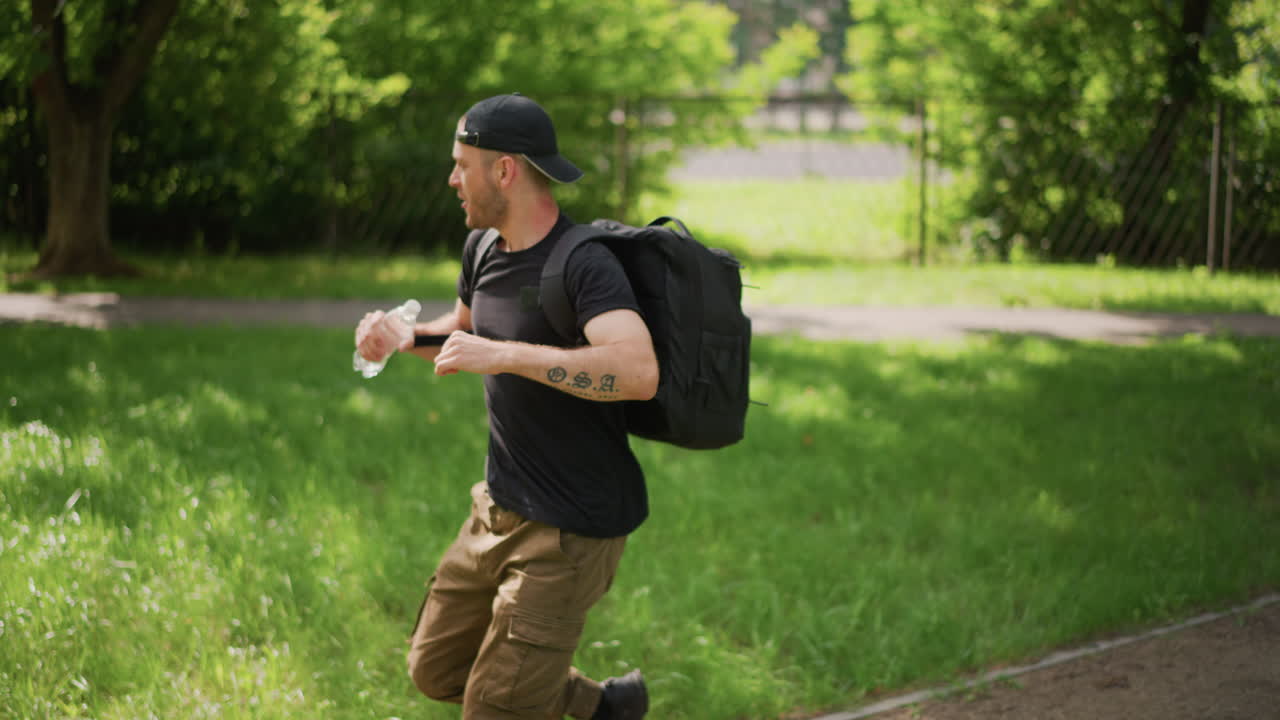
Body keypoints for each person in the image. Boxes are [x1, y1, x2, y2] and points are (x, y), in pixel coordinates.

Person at [355, 93, 658, 720]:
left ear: (505, 170)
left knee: (493, 710)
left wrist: (510, 356)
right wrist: (406, 338)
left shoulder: (584, 264)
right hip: (497, 510)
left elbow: (637, 371)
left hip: (570, 531)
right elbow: (467, 332)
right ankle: (604, 709)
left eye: (462, 163)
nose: (451, 178)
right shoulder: (484, 250)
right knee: (435, 666)